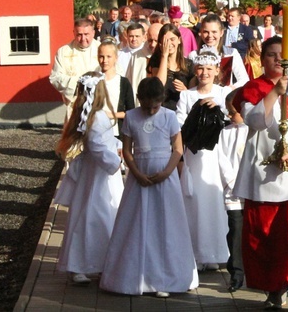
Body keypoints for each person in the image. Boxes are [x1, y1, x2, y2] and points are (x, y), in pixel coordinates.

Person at [234, 36, 288, 311]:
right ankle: (274, 289)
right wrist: (274, 93)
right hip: (262, 174)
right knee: (266, 235)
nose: (277, 61)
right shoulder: (253, 88)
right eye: (271, 55)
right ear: (262, 60)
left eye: (282, 57)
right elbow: (255, 121)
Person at [100, 77, 199, 297]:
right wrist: (135, 172)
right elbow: (127, 150)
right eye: (147, 106)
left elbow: (178, 149)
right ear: (139, 100)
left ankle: (165, 278)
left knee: (166, 224)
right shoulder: (132, 117)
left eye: (155, 105)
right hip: (140, 175)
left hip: (165, 176)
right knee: (137, 222)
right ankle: (133, 277)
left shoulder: (169, 116)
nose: (151, 110)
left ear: (162, 100)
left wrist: (166, 172)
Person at [53, 72, 124, 284]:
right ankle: (82, 264)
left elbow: (104, 143)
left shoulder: (89, 116)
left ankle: (97, 262)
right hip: (100, 176)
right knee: (95, 216)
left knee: (98, 217)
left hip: (95, 173)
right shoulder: (97, 117)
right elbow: (97, 146)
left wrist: (118, 148)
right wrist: (115, 162)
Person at [176, 49, 230, 271]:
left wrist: (218, 110)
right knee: (194, 201)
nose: (204, 73)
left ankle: (213, 253)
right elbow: (179, 123)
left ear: (217, 70)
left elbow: (231, 116)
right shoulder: (187, 95)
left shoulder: (223, 93)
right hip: (194, 155)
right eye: (200, 68)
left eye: (209, 68)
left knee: (213, 201)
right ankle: (194, 253)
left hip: (215, 155)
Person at [216, 91, 247, 293]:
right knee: (235, 230)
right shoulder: (225, 132)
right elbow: (221, 157)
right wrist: (231, 180)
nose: (229, 116)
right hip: (234, 189)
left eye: (233, 111)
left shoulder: (255, 129)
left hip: (253, 188)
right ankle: (236, 273)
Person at [49, 18, 100, 119]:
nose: (83, 38)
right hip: (75, 104)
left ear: (93, 33)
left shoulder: (102, 49)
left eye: (86, 34)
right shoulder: (64, 52)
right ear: (74, 33)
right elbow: (55, 77)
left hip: (98, 102)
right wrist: (78, 84)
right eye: (79, 35)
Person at [189, 14, 249, 92]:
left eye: (214, 32)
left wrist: (229, 89)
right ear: (201, 32)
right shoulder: (194, 55)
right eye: (206, 32)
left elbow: (244, 79)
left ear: (221, 32)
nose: (210, 35)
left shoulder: (231, 53)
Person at [149, 24, 194, 110]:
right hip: (163, 110)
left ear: (179, 40)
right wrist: (164, 56)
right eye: (165, 40)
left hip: (182, 112)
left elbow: (193, 93)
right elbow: (159, 85)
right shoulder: (156, 62)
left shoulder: (188, 64)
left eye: (172, 39)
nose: (169, 43)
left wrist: (185, 91)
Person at [97, 39, 135, 141]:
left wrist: (110, 115)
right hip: (96, 132)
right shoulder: (93, 81)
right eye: (101, 56)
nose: (105, 60)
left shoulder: (124, 82)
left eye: (109, 56)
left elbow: (130, 111)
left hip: (117, 133)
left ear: (116, 58)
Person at [126, 23, 160, 106]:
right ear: (146, 37)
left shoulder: (167, 57)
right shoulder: (136, 56)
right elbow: (129, 83)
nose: (153, 44)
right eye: (150, 40)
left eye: (156, 40)